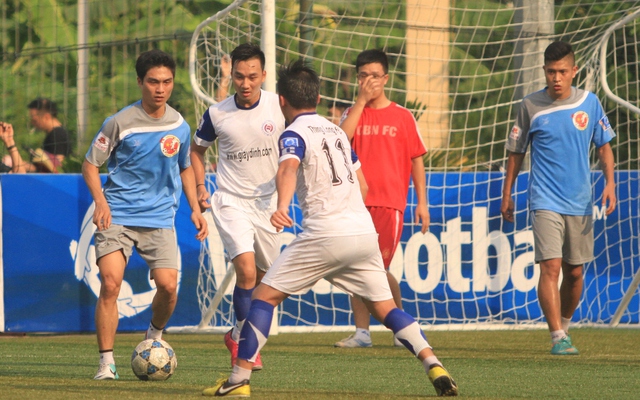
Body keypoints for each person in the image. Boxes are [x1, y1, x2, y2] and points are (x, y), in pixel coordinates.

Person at [202, 59, 458, 398]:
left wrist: (281, 206)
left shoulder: (293, 133)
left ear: (282, 101)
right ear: (319, 97)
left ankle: (238, 381)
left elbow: (288, 169)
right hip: (363, 233)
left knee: (263, 298)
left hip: (325, 234)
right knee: (386, 309)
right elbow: (363, 186)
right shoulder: (336, 131)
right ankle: (433, 362)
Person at [82, 49, 208, 380]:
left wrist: (195, 209)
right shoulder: (119, 122)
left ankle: (154, 336)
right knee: (110, 283)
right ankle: (106, 363)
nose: (160, 89)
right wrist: (100, 201)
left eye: (167, 82)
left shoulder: (180, 126)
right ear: (140, 82)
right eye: (153, 81)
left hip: (159, 219)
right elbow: (91, 164)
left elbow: (185, 169)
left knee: (168, 287)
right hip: (118, 215)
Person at [501, 41, 616, 355]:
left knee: (575, 271)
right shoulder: (529, 106)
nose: (556, 77)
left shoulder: (590, 103)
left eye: (562, 71)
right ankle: (556, 337)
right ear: (544, 71)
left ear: (573, 71)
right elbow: (516, 152)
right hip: (543, 200)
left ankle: (564, 325)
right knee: (550, 267)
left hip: (579, 201)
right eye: (551, 71)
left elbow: (604, 146)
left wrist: (610, 184)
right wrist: (507, 192)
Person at [190, 43, 286, 371]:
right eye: (239, 77)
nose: (245, 84)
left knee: (262, 280)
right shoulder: (217, 114)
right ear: (231, 75)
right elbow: (196, 151)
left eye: (253, 77)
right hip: (230, 201)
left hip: (268, 205)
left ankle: (235, 334)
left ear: (264, 75)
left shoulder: (279, 106)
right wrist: (202, 187)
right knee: (245, 271)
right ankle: (247, 347)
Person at [335, 49, 430, 348]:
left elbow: (416, 159)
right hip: (355, 203)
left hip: (390, 204)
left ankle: (401, 326)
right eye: (363, 76)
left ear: (385, 78)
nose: (368, 81)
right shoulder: (351, 113)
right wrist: (360, 103)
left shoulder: (403, 116)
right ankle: (364, 332)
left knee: (373, 268)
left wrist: (422, 203)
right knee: (357, 266)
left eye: (374, 76)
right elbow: (339, 143)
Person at [0, 98, 71, 173]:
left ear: (47, 117)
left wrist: (19, 164)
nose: (32, 122)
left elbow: (57, 166)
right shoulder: (54, 133)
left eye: (34, 120)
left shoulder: (57, 134)